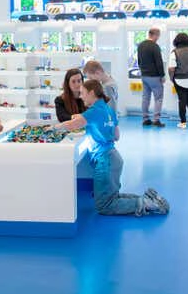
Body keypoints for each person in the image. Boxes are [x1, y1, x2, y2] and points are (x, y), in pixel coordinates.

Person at [53, 79, 169, 216]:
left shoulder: (93, 112)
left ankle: (147, 204)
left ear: (91, 93)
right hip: (114, 158)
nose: (81, 96)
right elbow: (116, 136)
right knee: (113, 197)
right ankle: (147, 199)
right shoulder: (108, 109)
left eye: (83, 93)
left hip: (105, 162)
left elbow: (72, 125)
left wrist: (53, 128)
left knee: (105, 206)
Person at [168, 32, 188, 129]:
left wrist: (172, 79)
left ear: (176, 41)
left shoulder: (175, 52)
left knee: (182, 101)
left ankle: (183, 122)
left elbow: (171, 68)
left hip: (180, 79)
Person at [137, 28, 166, 127]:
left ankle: (145, 119)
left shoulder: (140, 45)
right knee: (158, 98)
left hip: (144, 75)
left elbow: (139, 61)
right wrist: (162, 75)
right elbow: (159, 62)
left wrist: (143, 71)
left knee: (145, 98)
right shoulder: (155, 46)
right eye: (158, 35)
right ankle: (156, 120)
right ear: (155, 35)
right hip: (154, 76)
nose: (158, 38)